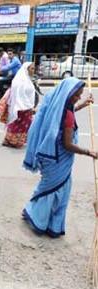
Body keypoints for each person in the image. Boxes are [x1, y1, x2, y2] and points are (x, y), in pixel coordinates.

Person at [22, 77, 96, 238]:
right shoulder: (66, 114)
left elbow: (66, 114)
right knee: (56, 189)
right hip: (58, 159)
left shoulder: (57, 106)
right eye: (76, 95)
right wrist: (88, 152)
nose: (77, 98)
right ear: (67, 94)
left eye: (80, 95)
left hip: (49, 156)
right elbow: (68, 144)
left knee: (51, 188)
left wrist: (83, 104)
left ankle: (38, 215)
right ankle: (39, 220)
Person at [0, 62, 37, 148]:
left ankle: (10, 140)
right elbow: (21, 95)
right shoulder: (21, 81)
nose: (33, 71)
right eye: (32, 68)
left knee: (18, 123)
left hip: (23, 107)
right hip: (21, 107)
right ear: (26, 69)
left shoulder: (26, 79)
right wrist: (29, 107)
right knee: (19, 124)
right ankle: (14, 141)